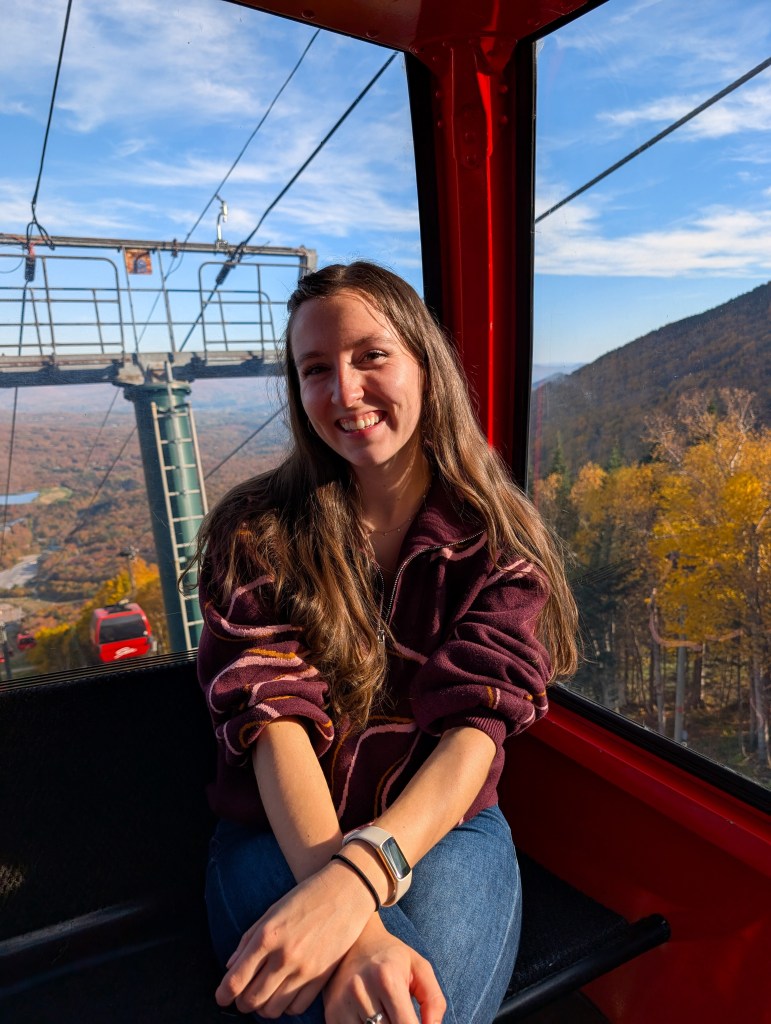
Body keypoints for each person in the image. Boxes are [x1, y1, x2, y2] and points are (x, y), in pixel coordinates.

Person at [192, 261, 578, 1024]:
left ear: (423, 365)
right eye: (315, 370)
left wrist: (360, 877)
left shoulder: (497, 545)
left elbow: (475, 729)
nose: (343, 391)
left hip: (445, 824)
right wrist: (355, 923)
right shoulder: (257, 531)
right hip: (278, 831)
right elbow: (276, 724)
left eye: (371, 356)